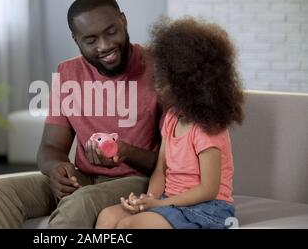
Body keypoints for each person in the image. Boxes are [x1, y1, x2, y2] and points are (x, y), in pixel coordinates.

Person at [0, 0, 162, 228]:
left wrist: (127, 152)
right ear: (76, 39)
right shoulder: (68, 73)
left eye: (111, 31)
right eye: (91, 40)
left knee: (80, 202)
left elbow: (172, 160)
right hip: (85, 178)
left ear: (123, 20)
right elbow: (51, 148)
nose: (105, 46)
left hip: (138, 181)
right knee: (1, 193)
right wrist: (57, 169)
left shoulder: (158, 67)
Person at [96, 17, 244, 229]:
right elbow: (160, 171)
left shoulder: (208, 127)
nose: (157, 85)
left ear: (191, 83)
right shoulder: (172, 118)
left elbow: (209, 189)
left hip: (207, 208)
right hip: (169, 201)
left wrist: (159, 204)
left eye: (165, 80)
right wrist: (147, 200)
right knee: (107, 217)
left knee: (130, 225)